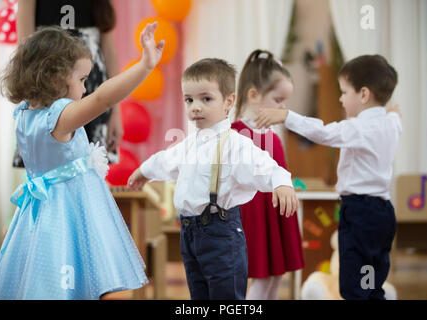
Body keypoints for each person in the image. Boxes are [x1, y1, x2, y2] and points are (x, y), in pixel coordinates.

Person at [0, 23, 164, 299]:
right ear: (55, 78)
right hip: (73, 209)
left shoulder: (23, 114)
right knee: (93, 279)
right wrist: (145, 65)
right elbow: (102, 98)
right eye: (82, 80)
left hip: (38, 211)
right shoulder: (60, 116)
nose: (86, 89)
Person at [127, 58, 299, 300]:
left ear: (229, 101)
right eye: (189, 99)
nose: (196, 107)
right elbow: (165, 160)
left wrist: (281, 183)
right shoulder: (188, 144)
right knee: (199, 296)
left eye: (206, 99)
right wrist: (144, 171)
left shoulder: (235, 144)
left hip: (221, 235)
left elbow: (265, 165)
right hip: (189, 235)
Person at [254, 54, 402, 300]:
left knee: (354, 284)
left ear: (364, 95)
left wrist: (286, 116)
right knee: (374, 279)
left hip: (360, 211)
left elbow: (322, 132)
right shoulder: (391, 123)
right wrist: (394, 113)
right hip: (384, 212)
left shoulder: (358, 128)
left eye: (344, 92)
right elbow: (395, 115)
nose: (342, 99)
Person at [231, 49, 305, 300]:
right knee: (261, 276)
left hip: (275, 213)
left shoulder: (271, 136)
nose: (282, 108)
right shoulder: (235, 133)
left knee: (276, 275)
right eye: (278, 100)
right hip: (253, 216)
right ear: (253, 95)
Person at [14, 0, 122, 166]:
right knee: (49, 165)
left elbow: (110, 51)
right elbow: (25, 47)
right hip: (47, 85)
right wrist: (31, 105)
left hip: (94, 87)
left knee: (93, 165)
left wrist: (116, 111)